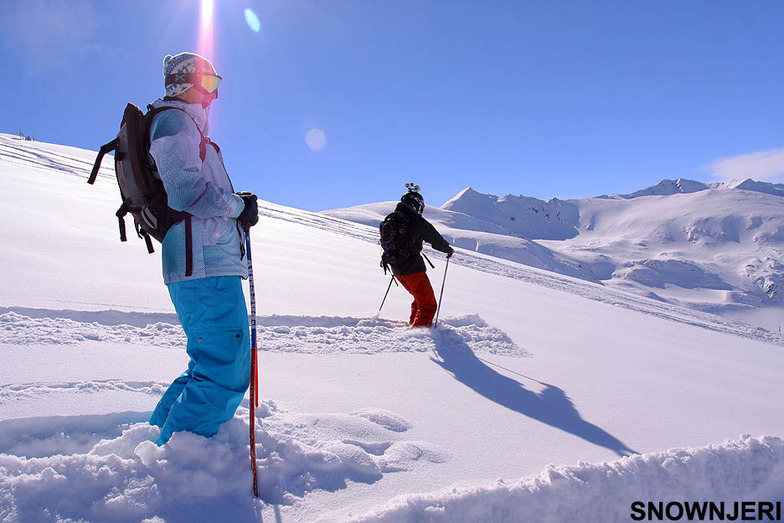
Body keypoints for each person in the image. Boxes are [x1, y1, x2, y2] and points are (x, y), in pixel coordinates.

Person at [146, 52, 259, 445]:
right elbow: (186, 192)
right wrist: (238, 206)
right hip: (202, 265)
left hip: (208, 263)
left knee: (210, 364)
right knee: (224, 369)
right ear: (186, 83)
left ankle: (159, 438)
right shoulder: (174, 121)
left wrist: (235, 206)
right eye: (209, 85)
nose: (213, 95)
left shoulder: (188, 128)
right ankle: (179, 459)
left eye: (217, 86)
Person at [381, 186, 454, 327]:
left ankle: (414, 324)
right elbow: (434, 238)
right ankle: (419, 335)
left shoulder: (392, 218)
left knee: (420, 299)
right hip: (412, 268)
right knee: (428, 305)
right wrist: (447, 249)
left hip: (396, 268)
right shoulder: (414, 220)